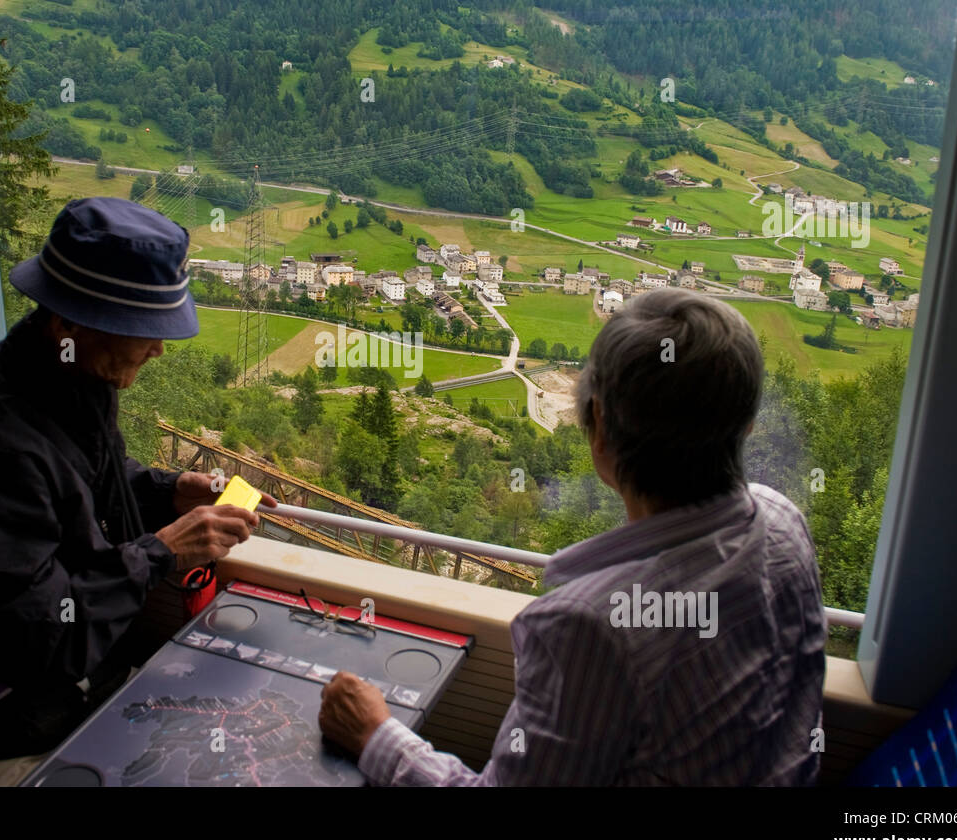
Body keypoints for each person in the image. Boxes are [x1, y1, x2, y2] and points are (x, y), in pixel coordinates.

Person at [319, 287, 827, 785]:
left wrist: (376, 737)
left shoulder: (589, 628)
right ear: (746, 428)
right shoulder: (783, 525)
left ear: (599, 426)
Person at [0, 197, 274, 785]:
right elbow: (38, 642)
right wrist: (162, 553)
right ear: (69, 322)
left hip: (51, 701)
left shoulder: (64, 375)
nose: (158, 348)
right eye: (145, 331)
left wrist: (165, 491)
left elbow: (79, 481)